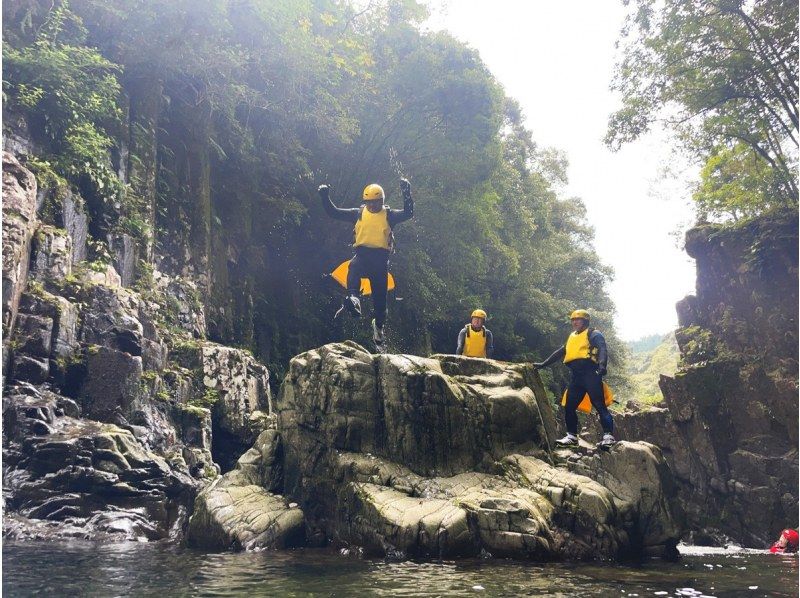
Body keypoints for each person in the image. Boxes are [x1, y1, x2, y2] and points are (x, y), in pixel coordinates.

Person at [318, 179, 413, 345]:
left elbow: (408, 213)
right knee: (353, 266)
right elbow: (334, 212)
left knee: (380, 303)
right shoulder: (358, 213)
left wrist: (407, 193)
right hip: (362, 256)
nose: (373, 206)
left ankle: (379, 325)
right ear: (366, 202)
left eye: (376, 203)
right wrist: (325, 196)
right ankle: (354, 298)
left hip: (381, 262)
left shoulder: (390, 215)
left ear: (382, 202)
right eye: (370, 203)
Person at [533, 309, 615, 448]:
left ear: (585, 321)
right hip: (576, 377)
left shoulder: (594, 334)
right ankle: (572, 436)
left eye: (578, 319)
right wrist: (543, 364)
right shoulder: (572, 337)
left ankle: (608, 437)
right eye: (573, 320)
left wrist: (602, 366)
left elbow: (602, 349)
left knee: (599, 405)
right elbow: (560, 352)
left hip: (591, 374)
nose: (575, 322)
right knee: (569, 407)